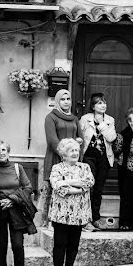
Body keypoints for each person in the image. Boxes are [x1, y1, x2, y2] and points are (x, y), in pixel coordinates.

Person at [48, 139, 95, 266]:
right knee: (60, 244)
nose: (75, 153)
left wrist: (68, 183)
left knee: (73, 245)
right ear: (64, 154)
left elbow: (89, 183)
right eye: (71, 151)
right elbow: (57, 186)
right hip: (61, 213)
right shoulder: (57, 168)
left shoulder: (85, 167)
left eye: (76, 150)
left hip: (79, 213)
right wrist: (78, 187)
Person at [0, 140, 35, 266]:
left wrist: (11, 199)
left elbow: (28, 187)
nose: (1, 152)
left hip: (16, 210)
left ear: (8, 152)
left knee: (17, 245)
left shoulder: (17, 168)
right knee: (1, 247)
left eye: (4, 150)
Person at [79, 93, 118, 231]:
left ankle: (95, 218)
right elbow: (80, 135)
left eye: (104, 103)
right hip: (88, 156)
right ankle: (86, 220)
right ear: (93, 106)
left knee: (99, 189)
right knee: (89, 186)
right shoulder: (85, 119)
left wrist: (101, 124)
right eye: (99, 103)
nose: (103, 105)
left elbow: (111, 137)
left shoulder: (109, 120)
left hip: (104, 157)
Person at [43, 90, 82, 225]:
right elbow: (52, 140)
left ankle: (71, 219)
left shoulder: (75, 118)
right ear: (57, 101)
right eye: (62, 99)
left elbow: (80, 137)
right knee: (55, 188)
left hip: (72, 161)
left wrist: (78, 142)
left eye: (68, 99)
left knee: (71, 188)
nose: (66, 101)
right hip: (56, 158)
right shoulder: (51, 117)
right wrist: (65, 155)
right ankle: (51, 221)